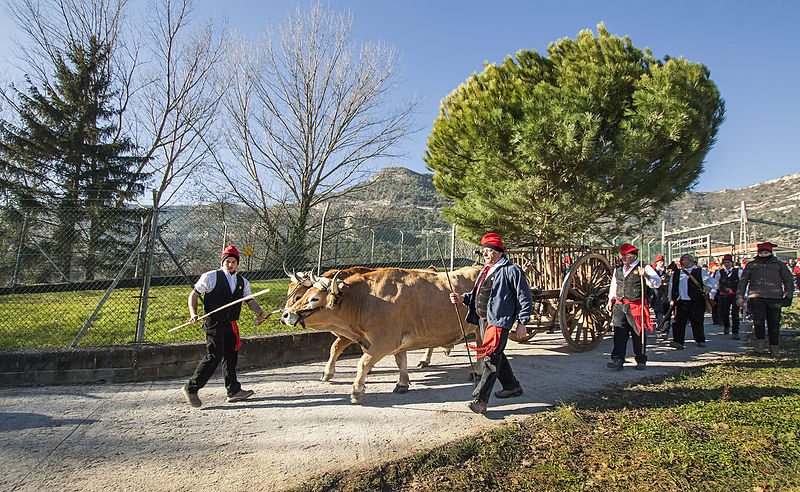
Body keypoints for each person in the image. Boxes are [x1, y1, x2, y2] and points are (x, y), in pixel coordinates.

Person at [449, 233, 532, 414]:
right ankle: (512, 386)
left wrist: (522, 322)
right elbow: (478, 294)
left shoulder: (511, 270)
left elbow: (524, 298)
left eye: (488, 251)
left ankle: (480, 400)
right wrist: (462, 298)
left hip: (499, 322)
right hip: (484, 320)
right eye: (484, 251)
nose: (485, 254)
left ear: (498, 252)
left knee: (490, 359)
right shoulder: (486, 271)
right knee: (497, 355)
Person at [182, 245, 267, 408]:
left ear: (237, 263)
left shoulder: (242, 282)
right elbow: (194, 294)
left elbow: (250, 300)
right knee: (214, 356)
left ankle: (233, 390)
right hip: (214, 322)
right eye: (227, 261)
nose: (230, 264)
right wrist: (193, 313)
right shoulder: (210, 277)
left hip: (230, 324)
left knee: (231, 355)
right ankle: (191, 388)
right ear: (223, 262)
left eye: (233, 262)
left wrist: (259, 312)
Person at [605, 244, 662, 370]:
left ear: (634, 256)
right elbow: (614, 285)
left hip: (636, 304)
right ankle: (618, 359)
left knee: (638, 333)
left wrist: (646, 276)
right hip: (620, 305)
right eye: (623, 255)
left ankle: (641, 359)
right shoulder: (618, 269)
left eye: (627, 255)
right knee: (619, 332)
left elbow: (657, 283)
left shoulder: (644, 267)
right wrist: (611, 300)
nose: (624, 258)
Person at [736, 242, 795, 356]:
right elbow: (743, 281)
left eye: (766, 252)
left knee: (774, 323)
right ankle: (759, 345)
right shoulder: (751, 265)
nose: (763, 255)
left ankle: (774, 347)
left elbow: (788, 279)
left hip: (775, 298)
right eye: (761, 253)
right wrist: (740, 296)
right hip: (756, 297)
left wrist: (788, 295)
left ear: (770, 253)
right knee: (758, 322)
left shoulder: (779, 265)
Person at [668, 253, 716, 349]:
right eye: (681, 260)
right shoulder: (676, 273)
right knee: (679, 322)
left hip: (696, 301)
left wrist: (708, 287)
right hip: (681, 301)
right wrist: (671, 299)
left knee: (697, 321)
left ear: (690, 261)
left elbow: (711, 281)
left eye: (684, 260)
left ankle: (700, 339)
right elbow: (671, 286)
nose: (681, 262)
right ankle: (678, 341)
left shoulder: (700, 271)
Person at [714, 254, 743, 339]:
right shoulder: (719, 272)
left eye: (728, 262)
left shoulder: (738, 272)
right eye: (725, 263)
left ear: (732, 263)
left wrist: (743, 294)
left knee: (735, 313)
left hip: (735, 295)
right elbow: (716, 284)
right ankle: (726, 326)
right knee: (724, 313)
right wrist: (713, 294)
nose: (726, 264)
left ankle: (735, 331)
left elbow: (742, 283)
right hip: (724, 295)